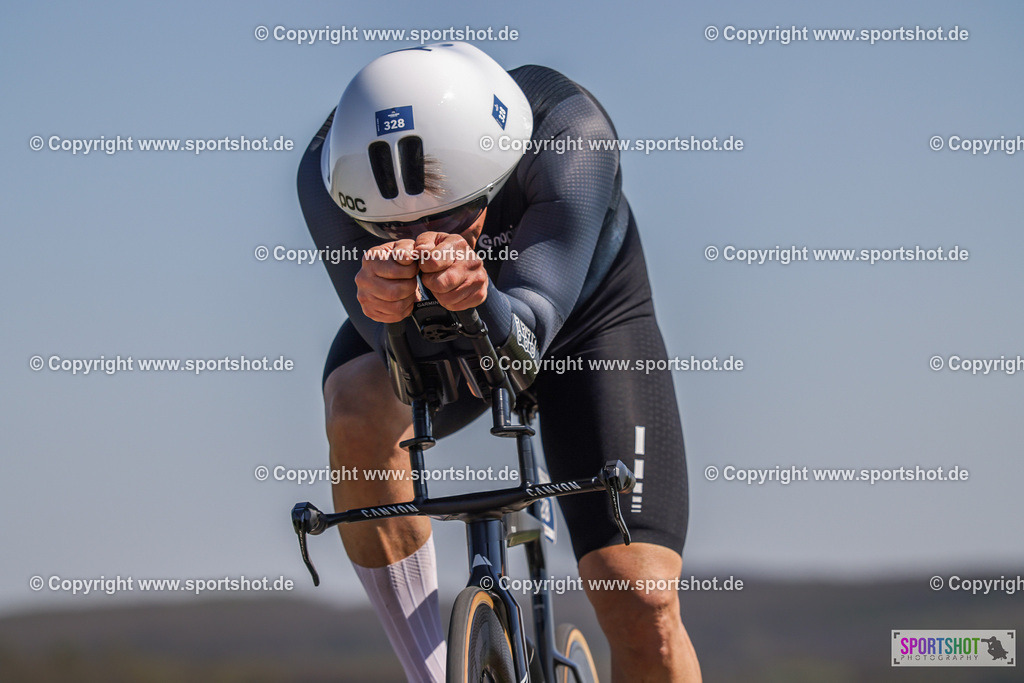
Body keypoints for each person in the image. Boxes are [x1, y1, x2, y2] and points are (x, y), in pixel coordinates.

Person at [297, 42, 701, 682]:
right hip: (436, 322)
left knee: (640, 595)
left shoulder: (570, 134)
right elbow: (404, 366)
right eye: (391, 228)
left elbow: (530, 332)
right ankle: (431, 673)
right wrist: (384, 304)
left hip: (587, 320)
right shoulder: (327, 170)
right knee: (355, 406)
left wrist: (481, 299)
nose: (424, 238)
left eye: (453, 215)